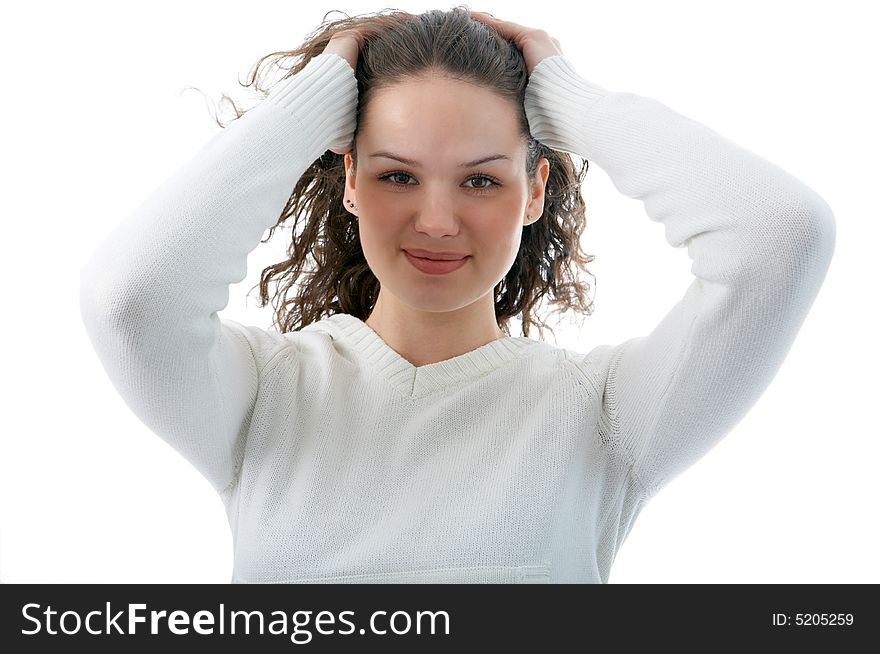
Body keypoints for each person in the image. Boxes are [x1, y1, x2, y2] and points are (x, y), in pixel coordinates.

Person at [79, 8, 836, 583]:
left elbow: (781, 236)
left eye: (481, 178)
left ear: (536, 189)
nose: (437, 220)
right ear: (348, 179)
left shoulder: (607, 416)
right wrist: (316, 99)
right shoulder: (262, 395)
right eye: (395, 174)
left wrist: (565, 99)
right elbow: (131, 298)